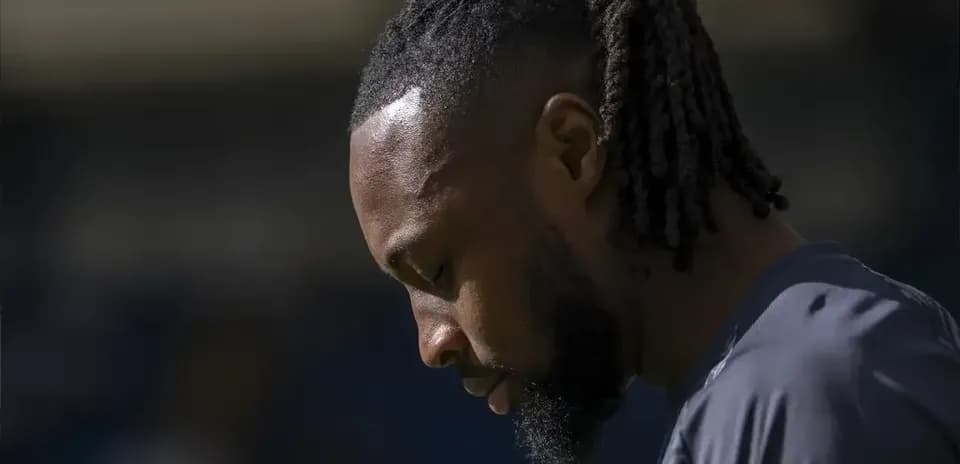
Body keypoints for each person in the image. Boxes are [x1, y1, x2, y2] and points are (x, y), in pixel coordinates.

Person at [346, 1, 960, 463]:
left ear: (572, 152)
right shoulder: (757, 398)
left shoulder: (817, 396)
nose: (433, 344)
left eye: (437, 271)